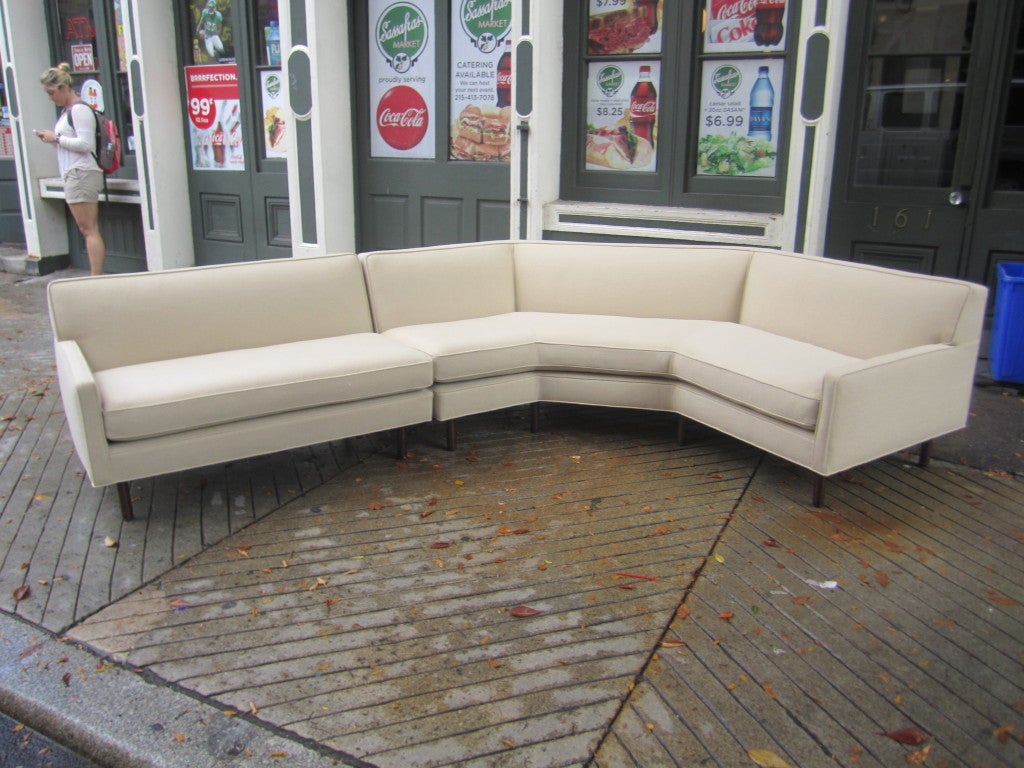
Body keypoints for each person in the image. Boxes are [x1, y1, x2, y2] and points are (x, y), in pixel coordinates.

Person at [36, 63, 106, 276]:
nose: (51, 98)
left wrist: (56, 138)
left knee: (89, 229)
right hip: (75, 173)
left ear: (63, 87)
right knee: (87, 229)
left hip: (81, 172)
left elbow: (85, 144)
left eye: (51, 92)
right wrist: (54, 139)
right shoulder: (69, 111)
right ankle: (96, 276)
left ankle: (96, 277)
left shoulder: (79, 110)